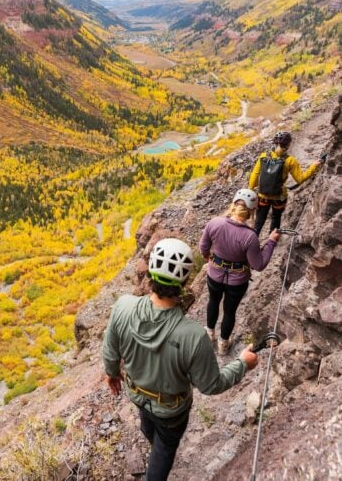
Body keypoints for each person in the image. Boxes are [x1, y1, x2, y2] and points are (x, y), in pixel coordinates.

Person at [103, 238, 258, 481]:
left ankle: (155, 445)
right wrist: (242, 364)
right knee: (164, 448)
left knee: (149, 427)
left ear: (151, 274)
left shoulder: (123, 306)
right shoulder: (193, 336)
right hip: (171, 410)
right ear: (185, 282)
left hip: (136, 394)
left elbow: (110, 351)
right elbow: (211, 385)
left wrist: (112, 373)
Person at [199, 189, 280, 355]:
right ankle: (223, 345)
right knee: (229, 311)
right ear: (251, 212)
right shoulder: (250, 237)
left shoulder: (215, 223)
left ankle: (209, 334)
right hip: (237, 281)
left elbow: (203, 248)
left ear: (234, 205)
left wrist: (210, 260)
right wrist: (271, 242)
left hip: (214, 274)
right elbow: (258, 265)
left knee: (213, 302)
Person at [249, 131, 323, 235]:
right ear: (288, 145)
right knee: (276, 218)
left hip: (262, 196)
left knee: (259, 221)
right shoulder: (290, 161)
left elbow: (254, 176)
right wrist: (314, 166)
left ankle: (252, 242)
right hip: (279, 197)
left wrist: (251, 190)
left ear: (274, 143)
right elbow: (300, 179)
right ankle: (272, 241)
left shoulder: (263, 156)